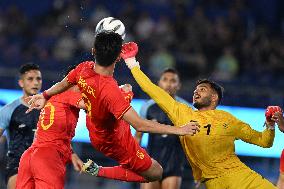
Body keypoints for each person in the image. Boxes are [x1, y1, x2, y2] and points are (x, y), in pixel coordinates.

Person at [26, 32, 200, 183]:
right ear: (118, 57)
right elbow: (140, 125)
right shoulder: (110, 92)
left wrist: (45, 95)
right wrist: (180, 129)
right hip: (114, 140)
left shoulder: (83, 68)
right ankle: (98, 170)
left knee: (125, 91)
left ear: (93, 51)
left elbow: (65, 82)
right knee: (156, 172)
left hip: (97, 127)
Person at [121, 42, 281, 189]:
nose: (196, 91)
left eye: (202, 89)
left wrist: (269, 124)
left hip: (244, 179)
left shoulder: (228, 119)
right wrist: (132, 63)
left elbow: (264, 142)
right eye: (196, 89)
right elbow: (152, 89)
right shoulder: (182, 113)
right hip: (213, 183)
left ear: (214, 97)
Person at [16, 66, 85, 189]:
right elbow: (92, 106)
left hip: (29, 156)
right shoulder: (70, 95)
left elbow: (51, 133)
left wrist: (72, 154)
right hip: (48, 158)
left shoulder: (51, 97)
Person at [135, 68, 189, 189]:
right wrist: (132, 162)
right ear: (159, 83)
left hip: (174, 165)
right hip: (150, 164)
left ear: (178, 85)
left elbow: (194, 142)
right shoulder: (147, 107)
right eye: (165, 80)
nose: (168, 84)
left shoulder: (186, 110)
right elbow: (138, 137)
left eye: (173, 81)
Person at [0, 63, 42, 189]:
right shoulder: (9, 110)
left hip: (43, 166)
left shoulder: (50, 109)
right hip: (16, 165)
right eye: (30, 79)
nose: (35, 83)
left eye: (38, 79)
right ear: (21, 83)